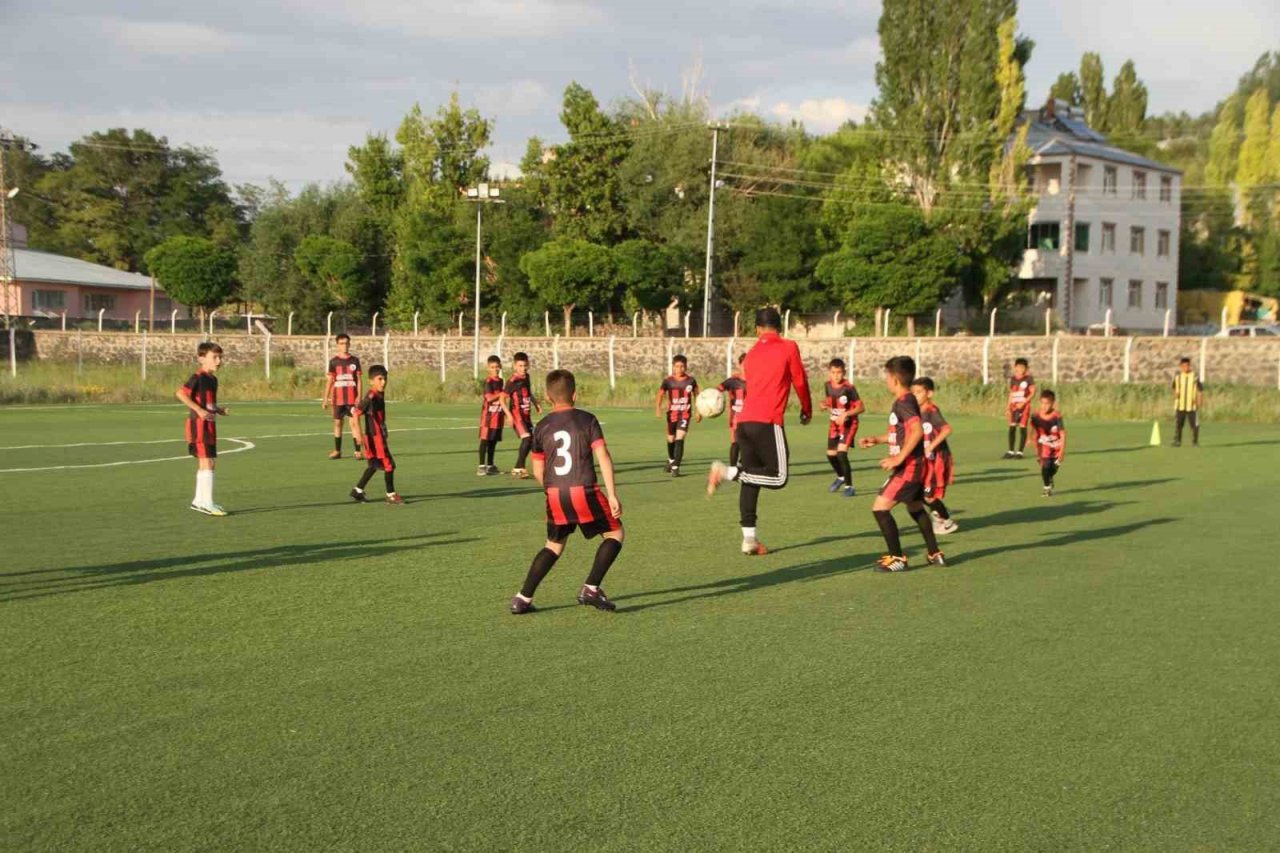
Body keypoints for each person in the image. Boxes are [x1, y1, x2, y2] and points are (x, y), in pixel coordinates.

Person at [511, 369, 624, 615]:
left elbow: (538, 470)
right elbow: (603, 456)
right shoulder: (587, 420)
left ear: (548, 397)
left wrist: (553, 491)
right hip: (584, 489)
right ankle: (591, 588)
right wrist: (612, 494)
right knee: (615, 533)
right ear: (575, 394)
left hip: (555, 492)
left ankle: (522, 599)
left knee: (553, 545)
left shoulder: (542, 426)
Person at [706, 308, 813, 555]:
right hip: (767, 422)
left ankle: (749, 540)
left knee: (750, 477)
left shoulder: (752, 353)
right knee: (778, 477)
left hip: (744, 423)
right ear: (780, 327)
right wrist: (806, 409)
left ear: (757, 329)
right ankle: (726, 471)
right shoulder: (789, 347)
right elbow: (799, 380)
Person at [859, 356, 945, 572]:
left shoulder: (904, 401)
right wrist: (877, 439)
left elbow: (916, 431)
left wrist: (898, 458)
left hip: (909, 467)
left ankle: (897, 558)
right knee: (915, 507)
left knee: (880, 508)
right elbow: (902, 434)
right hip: (914, 465)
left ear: (895, 379)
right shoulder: (907, 400)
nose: (886, 380)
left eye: (887, 376)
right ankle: (934, 553)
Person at [177, 342, 230, 516]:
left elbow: (208, 403)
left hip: (209, 424)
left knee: (206, 462)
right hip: (198, 425)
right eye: (214, 357)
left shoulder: (212, 379)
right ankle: (207, 502)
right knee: (208, 462)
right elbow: (180, 393)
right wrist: (198, 410)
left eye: (220, 357)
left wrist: (218, 410)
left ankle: (199, 501)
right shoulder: (198, 377)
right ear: (201, 359)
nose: (219, 361)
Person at [348, 365, 403, 505]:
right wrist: (358, 434)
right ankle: (391, 495)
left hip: (376, 435)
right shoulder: (371, 396)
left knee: (374, 465)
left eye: (385, 379)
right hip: (375, 437)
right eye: (380, 379)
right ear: (371, 381)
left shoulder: (379, 393)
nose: (383, 382)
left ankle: (357, 491)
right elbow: (356, 414)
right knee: (389, 465)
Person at [911, 377, 958, 535]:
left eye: (919, 392)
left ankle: (947, 522)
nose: (915, 395)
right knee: (917, 491)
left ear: (929, 393)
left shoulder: (931, 411)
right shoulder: (916, 412)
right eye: (913, 392)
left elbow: (947, 429)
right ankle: (939, 511)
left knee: (928, 495)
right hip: (924, 459)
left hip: (936, 459)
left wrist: (930, 446)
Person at [820, 357, 863, 497]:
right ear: (829, 372)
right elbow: (830, 402)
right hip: (834, 424)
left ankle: (849, 487)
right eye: (833, 372)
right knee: (830, 455)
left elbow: (861, 407)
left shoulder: (849, 388)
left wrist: (846, 414)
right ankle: (841, 476)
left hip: (849, 424)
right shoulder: (827, 385)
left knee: (841, 454)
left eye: (839, 372)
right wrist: (824, 405)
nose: (836, 375)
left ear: (844, 372)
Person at [655, 355, 700, 477]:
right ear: (673, 367)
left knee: (680, 438)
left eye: (682, 366)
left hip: (685, 414)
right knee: (671, 439)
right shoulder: (668, 381)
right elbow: (660, 394)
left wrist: (698, 411)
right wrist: (658, 407)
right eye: (677, 366)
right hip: (672, 415)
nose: (679, 369)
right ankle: (671, 460)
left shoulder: (691, 381)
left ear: (686, 367)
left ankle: (676, 467)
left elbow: (697, 395)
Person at [501, 351, 542, 478]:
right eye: (520, 366)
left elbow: (528, 393)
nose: (523, 368)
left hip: (526, 415)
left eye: (525, 365)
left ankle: (521, 467)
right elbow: (502, 399)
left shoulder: (526, 377)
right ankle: (519, 467)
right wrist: (508, 415)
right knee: (527, 438)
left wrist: (536, 403)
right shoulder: (512, 381)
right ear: (514, 366)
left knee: (533, 440)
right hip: (517, 416)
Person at [323, 333, 362, 460]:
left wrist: (359, 396)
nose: (344, 346)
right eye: (341, 343)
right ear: (337, 345)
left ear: (349, 344)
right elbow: (330, 381)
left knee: (354, 423)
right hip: (338, 399)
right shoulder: (333, 362)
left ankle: (358, 451)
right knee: (338, 423)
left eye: (346, 343)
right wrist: (325, 398)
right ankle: (337, 451)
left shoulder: (354, 361)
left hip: (352, 399)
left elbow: (359, 380)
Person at [1030, 390, 1067, 497]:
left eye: (1047, 404)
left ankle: (1050, 478)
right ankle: (1047, 488)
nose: (1044, 406)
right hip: (1044, 446)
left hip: (1056, 447)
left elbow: (1063, 434)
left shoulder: (1057, 416)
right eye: (1042, 403)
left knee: (1053, 469)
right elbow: (1032, 428)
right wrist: (1029, 439)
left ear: (1052, 403)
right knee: (1045, 467)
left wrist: (1062, 451)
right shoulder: (1035, 416)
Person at [716, 354, 747, 469]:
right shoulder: (732, 381)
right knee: (735, 442)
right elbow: (717, 390)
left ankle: (742, 462)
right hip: (735, 417)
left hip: (751, 417)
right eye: (744, 364)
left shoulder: (756, 380)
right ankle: (733, 468)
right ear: (739, 365)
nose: (746, 366)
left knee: (750, 442)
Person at [477, 355, 505, 476]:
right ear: (488, 368)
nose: (495, 369)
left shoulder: (501, 381)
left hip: (498, 415)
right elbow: (489, 398)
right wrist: (502, 393)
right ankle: (481, 466)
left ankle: (490, 465)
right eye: (492, 367)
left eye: (497, 367)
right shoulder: (488, 382)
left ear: (500, 367)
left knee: (493, 441)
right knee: (485, 441)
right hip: (488, 417)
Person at [1003, 358, 1036, 459]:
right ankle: (1010, 451)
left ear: (1026, 368)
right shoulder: (1013, 379)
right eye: (1019, 367)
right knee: (1012, 427)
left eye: (1023, 367)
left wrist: (1023, 402)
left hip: (1024, 407)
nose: (1020, 369)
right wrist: (1008, 407)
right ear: (1015, 367)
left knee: (1022, 427)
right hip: (1014, 406)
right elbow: (1011, 393)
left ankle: (1020, 452)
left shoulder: (1029, 379)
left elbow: (1032, 393)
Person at [1172, 357, 1203, 447]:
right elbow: (1174, 387)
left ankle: (1195, 442)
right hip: (1180, 405)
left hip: (1192, 405)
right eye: (1183, 366)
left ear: (1190, 366)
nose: (1185, 368)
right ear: (1181, 366)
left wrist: (1199, 401)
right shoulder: (1177, 377)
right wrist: (1175, 395)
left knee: (1194, 425)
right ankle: (1177, 441)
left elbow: (1200, 390)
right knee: (1179, 424)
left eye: (1187, 366)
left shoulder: (1194, 377)